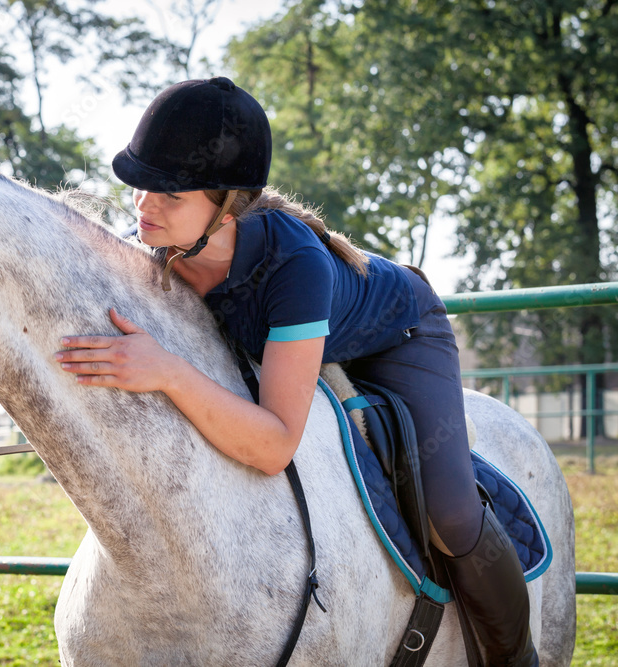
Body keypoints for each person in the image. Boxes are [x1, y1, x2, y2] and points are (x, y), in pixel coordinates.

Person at [54, 77, 537, 665]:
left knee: (452, 511)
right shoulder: (158, 244)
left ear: (227, 208)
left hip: (399, 335)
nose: (144, 209)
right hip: (296, 337)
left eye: (170, 197)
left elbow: (276, 444)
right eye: (140, 190)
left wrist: (169, 372)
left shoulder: (295, 265)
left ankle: (518, 657)